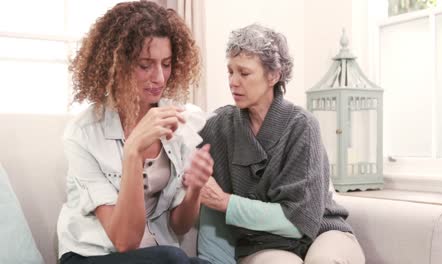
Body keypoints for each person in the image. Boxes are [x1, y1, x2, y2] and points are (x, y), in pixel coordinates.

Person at [56, 2, 212, 263]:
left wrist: (194, 189)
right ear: (117, 65)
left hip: (155, 253)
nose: (160, 78)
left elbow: (180, 226)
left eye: (166, 64)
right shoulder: (83, 134)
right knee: (172, 258)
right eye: (145, 65)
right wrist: (133, 152)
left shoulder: (176, 121)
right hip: (93, 255)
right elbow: (125, 241)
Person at [197, 24, 365, 264]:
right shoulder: (219, 126)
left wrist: (226, 202)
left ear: (273, 76)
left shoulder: (302, 126)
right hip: (262, 245)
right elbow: (181, 160)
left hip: (324, 232)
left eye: (244, 73)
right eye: (230, 72)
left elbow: (301, 220)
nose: (233, 82)